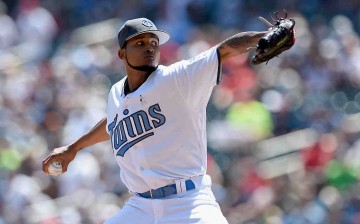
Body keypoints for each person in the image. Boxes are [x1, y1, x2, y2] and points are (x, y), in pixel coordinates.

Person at [42, 17, 267, 224]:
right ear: (122, 54)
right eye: (139, 43)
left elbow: (224, 50)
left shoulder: (176, 79)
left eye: (153, 42)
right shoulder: (116, 92)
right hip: (141, 207)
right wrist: (74, 148)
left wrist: (261, 37)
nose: (149, 47)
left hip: (189, 201)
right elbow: (113, 121)